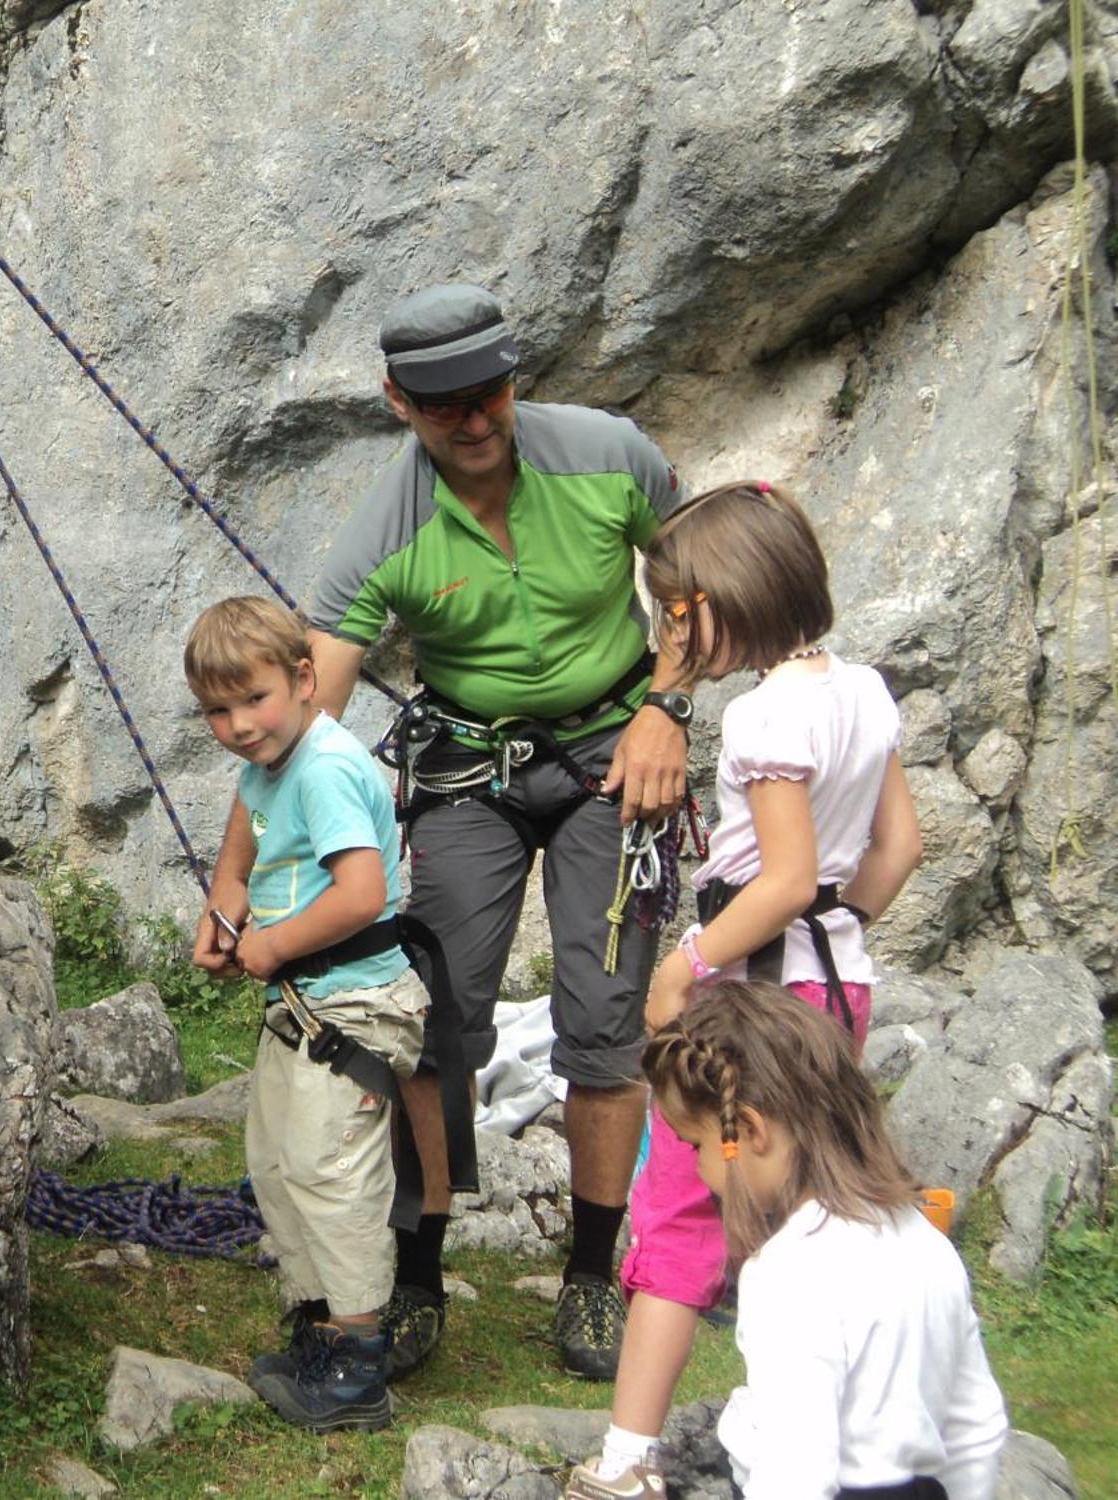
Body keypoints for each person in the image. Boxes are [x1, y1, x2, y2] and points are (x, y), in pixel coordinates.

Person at [302, 283, 693, 1381]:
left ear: (513, 379)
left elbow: (699, 580)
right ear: (397, 403)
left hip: (618, 757)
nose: (472, 421)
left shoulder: (608, 453)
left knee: (604, 1019)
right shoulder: (387, 522)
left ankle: (589, 1274)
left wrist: (667, 710)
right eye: (442, 407)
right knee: (435, 1020)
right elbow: (309, 716)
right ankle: (416, 1274)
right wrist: (261, 868)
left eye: (488, 394)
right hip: (465, 773)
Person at [568, 480, 926, 1499]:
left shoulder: (770, 713)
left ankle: (626, 1463)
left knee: (681, 1209)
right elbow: (896, 849)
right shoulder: (862, 691)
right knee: (817, 1203)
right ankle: (842, 1435)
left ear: (723, 596)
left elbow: (773, 876)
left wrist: (686, 962)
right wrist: (831, 931)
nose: (668, 627)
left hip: (747, 1002)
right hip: (832, 989)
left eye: (676, 606)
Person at [184, 595, 430, 1432]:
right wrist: (225, 920)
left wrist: (277, 943)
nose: (240, 725)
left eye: (253, 700)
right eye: (217, 710)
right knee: (279, 1160)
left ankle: (358, 1363)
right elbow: (244, 856)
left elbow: (362, 894)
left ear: (302, 680)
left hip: (351, 1005)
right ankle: (322, 1327)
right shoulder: (267, 769)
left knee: (333, 1173)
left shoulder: (324, 767)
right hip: (303, 1003)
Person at [627, 984, 1009, 1499]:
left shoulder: (790, 1272)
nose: (697, 1166)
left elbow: (796, 1471)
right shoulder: (927, 1244)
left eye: (697, 1144)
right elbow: (976, 1426)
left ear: (748, 1131)